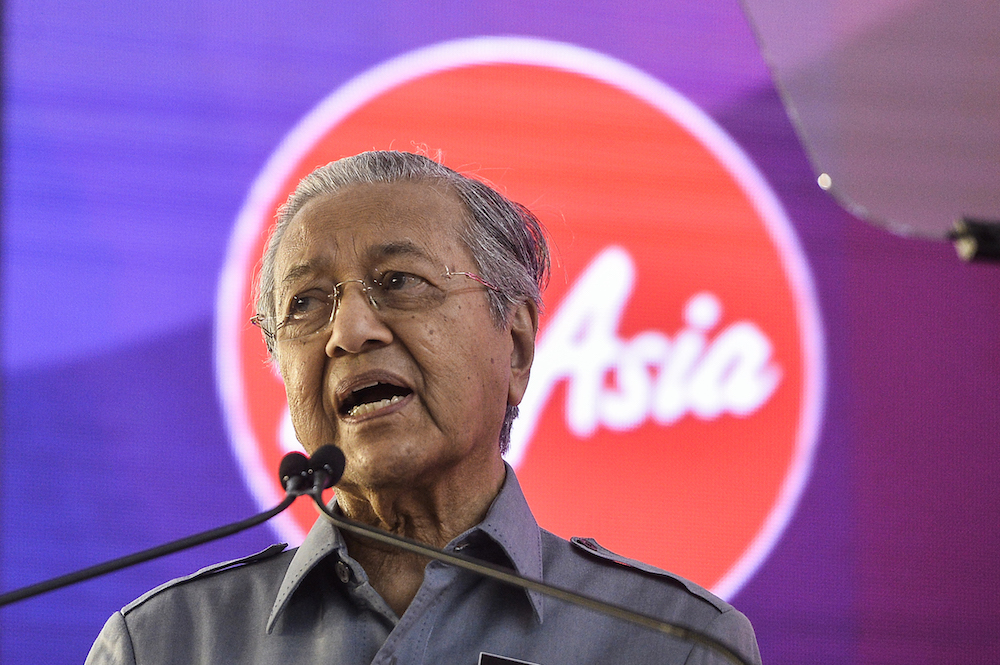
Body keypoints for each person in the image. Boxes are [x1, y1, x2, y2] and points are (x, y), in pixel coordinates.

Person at [86, 150, 762, 665]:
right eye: (305, 303)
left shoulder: (674, 643)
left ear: (516, 346)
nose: (349, 332)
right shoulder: (163, 645)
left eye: (399, 282)